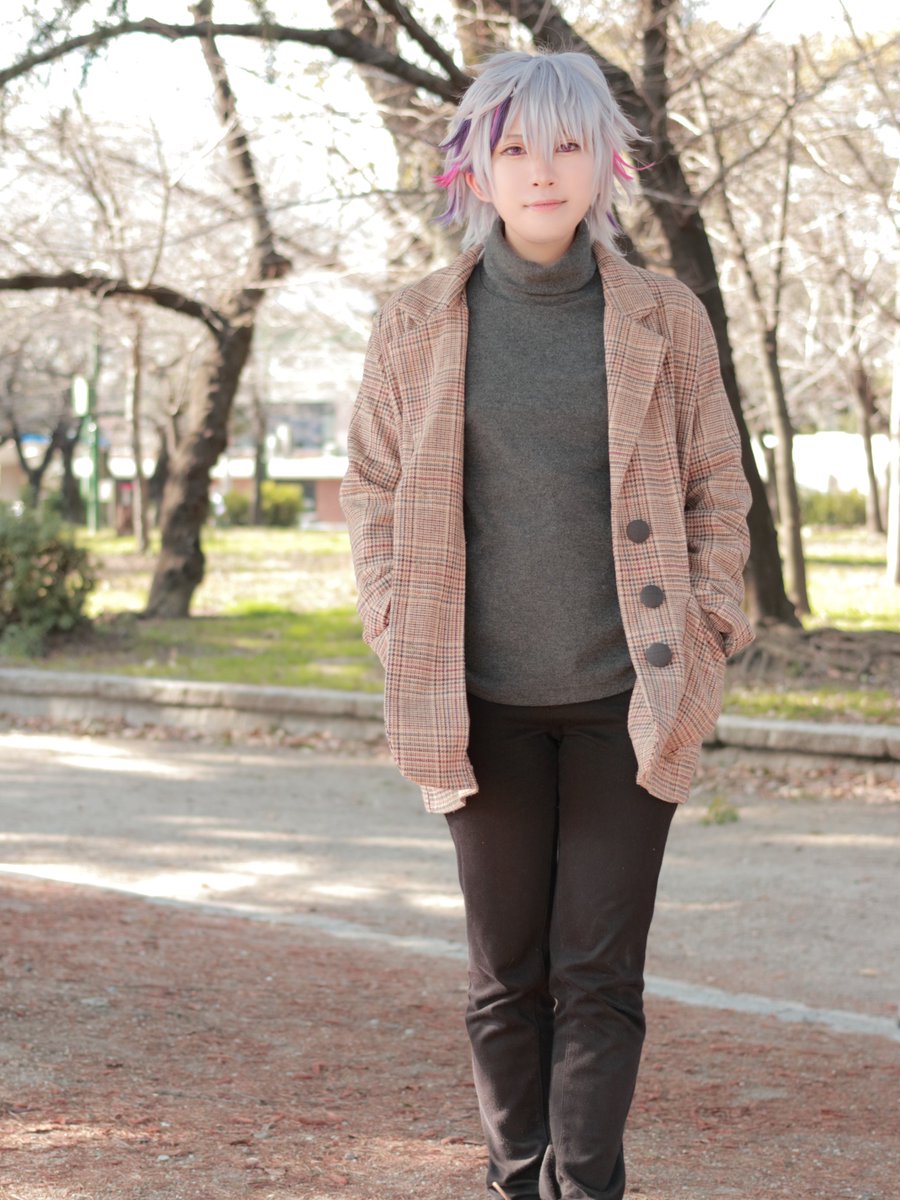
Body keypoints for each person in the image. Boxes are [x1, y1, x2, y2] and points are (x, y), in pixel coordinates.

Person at [340, 48, 753, 1200]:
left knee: (600, 976)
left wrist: (710, 622)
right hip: (476, 702)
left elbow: (718, 489)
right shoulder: (417, 321)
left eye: (568, 144)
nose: (542, 170)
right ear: (474, 166)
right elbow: (372, 488)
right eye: (514, 146)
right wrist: (393, 621)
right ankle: (515, 1180)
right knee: (504, 978)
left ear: (604, 162)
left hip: (632, 698)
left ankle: (587, 1188)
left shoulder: (664, 316)